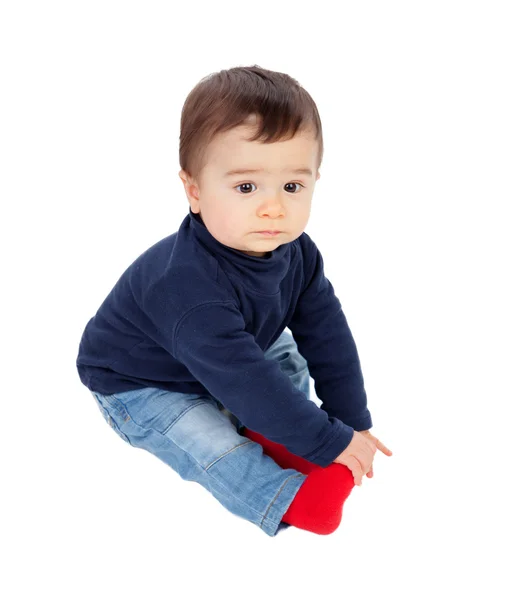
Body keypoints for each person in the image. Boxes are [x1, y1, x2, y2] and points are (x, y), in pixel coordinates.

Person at [76, 64, 392, 537]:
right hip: (143, 384)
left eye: (292, 186)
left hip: (228, 354)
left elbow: (327, 335)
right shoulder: (185, 287)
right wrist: (327, 441)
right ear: (194, 190)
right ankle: (289, 496)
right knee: (207, 442)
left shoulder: (297, 252)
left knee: (284, 354)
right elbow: (244, 377)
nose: (274, 207)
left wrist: (350, 422)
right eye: (246, 187)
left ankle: (276, 428)